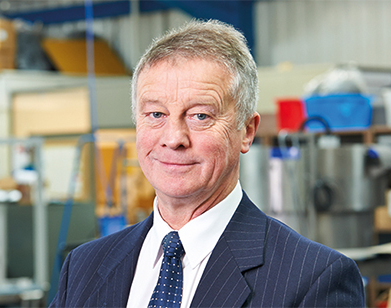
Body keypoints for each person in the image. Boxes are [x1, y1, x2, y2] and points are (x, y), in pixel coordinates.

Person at [50, 19, 364, 308]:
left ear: (247, 132)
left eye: (200, 115)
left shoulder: (314, 279)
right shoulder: (83, 267)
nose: (174, 138)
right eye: (156, 115)